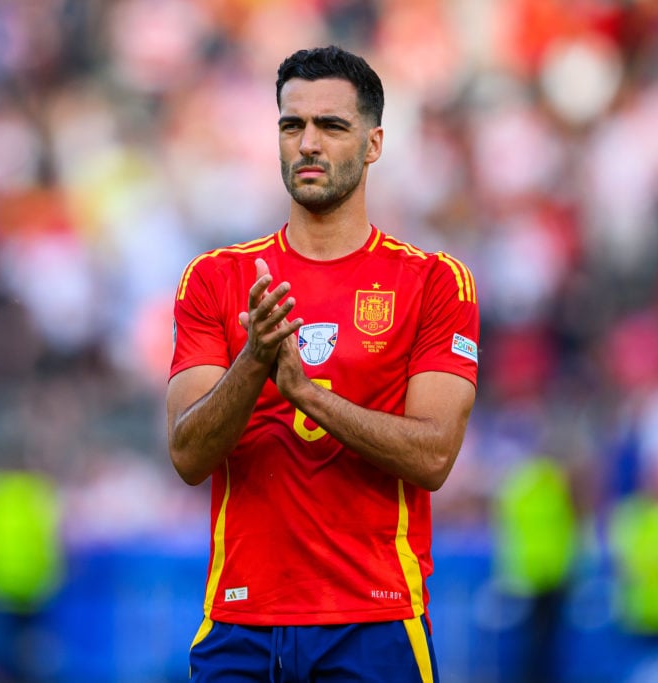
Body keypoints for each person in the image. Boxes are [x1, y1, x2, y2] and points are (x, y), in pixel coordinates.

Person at [167, 45, 479, 682]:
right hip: (239, 626)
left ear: (373, 144)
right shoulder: (215, 279)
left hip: (374, 622)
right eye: (292, 125)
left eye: (331, 126)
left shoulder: (434, 283)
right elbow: (187, 455)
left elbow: (434, 457)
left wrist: (308, 395)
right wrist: (254, 360)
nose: (308, 143)